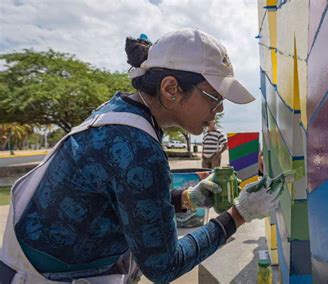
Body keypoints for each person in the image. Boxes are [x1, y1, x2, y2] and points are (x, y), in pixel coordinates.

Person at [0, 28, 282, 283]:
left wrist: (183, 198)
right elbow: (164, 266)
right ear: (171, 89)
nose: (219, 110)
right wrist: (239, 214)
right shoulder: (138, 147)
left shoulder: (119, 112)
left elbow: (113, 194)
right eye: (214, 97)